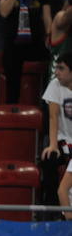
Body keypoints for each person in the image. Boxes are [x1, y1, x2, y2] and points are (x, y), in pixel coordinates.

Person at [0, 0, 51, 104]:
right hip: (13, 44)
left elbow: (47, 18)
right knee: (12, 84)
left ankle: (45, 107)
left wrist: (49, 36)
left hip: (35, 42)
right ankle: (13, 112)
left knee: (51, 65)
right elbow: (4, 12)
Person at [40, 51, 72, 208]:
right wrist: (53, 145)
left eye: (61, 68)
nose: (56, 72)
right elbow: (53, 116)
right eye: (56, 67)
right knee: (49, 159)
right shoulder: (55, 84)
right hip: (62, 139)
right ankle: (50, 207)